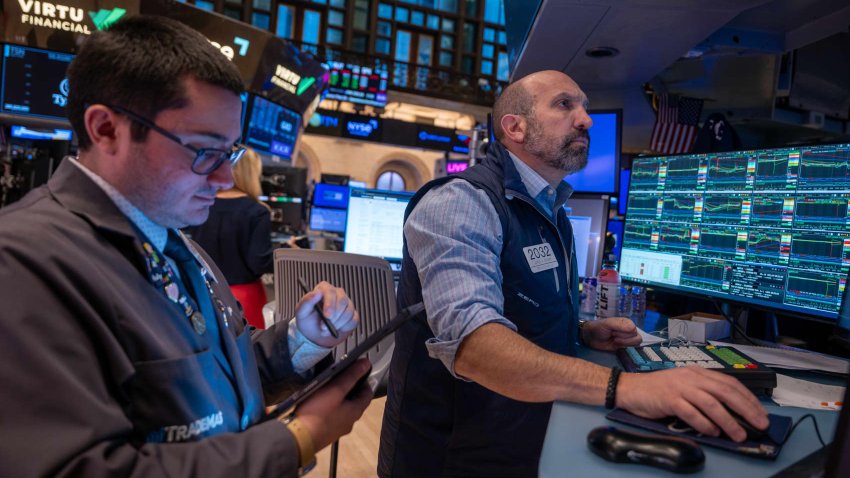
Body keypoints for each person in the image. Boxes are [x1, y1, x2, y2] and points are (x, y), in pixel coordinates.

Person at [0, 16, 372, 477]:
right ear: (106, 129)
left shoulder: (174, 239)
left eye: (230, 153)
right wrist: (299, 437)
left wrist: (301, 341)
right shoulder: (23, 262)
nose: (223, 179)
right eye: (203, 150)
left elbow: (213, 374)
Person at [378, 70, 769, 477]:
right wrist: (629, 389)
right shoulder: (460, 203)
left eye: (584, 106)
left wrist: (576, 331)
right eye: (565, 105)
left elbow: (519, 305)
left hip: (517, 445)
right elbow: (475, 347)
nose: (586, 119)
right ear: (515, 127)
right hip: (449, 458)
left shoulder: (552, 209)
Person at [185, 147, 275, 329]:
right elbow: (259, 261)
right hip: (245, 298)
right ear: (251, 174)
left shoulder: (203, 205)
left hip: (205, 291)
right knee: (249, 349)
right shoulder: (256, 211)